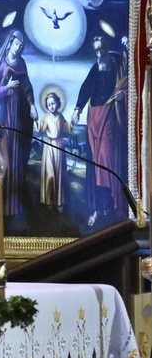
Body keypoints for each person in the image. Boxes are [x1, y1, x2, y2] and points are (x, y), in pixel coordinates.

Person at [70, 35, 128, 226]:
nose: (99, 53)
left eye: (102, 49)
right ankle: (101, 207)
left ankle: (114, 204)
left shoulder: (117, 66)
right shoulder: (96, 68)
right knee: (95, 163)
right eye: (96, 50)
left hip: (110, 116)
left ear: (106, 47)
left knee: (107, 158)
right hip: (94, 118)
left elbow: (126, 87)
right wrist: (77, 109)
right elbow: (86, 88)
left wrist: (122, 96)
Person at [0, 29, 38, 223]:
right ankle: (3, 208)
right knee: (6, 161)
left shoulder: (21, 63)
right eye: (17, 44)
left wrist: (32, 105)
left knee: (18, 160)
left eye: (22, 46)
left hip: (20, 117)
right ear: (10, 43)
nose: (19, 48)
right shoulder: (2, 66)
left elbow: (27, 87)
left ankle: (15, 207)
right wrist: (8, 87)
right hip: (5, 117)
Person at [34, 90, 72, 212]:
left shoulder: (60, 116)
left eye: (53, 103)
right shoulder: (46, 117)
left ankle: (59, 202)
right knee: (50, 174)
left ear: (57, 103)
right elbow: (40, 128)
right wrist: (35, 120)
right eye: (49, 104)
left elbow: (66, 128)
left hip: (59, 147)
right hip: (49, 147)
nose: (51, 106)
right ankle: (50, 201)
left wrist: (72, 123)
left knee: (59, 174)